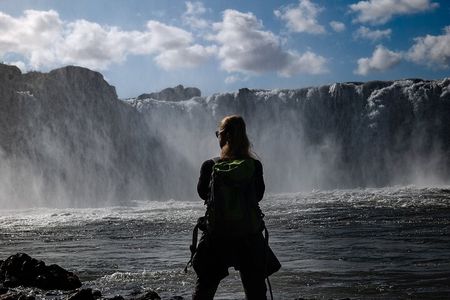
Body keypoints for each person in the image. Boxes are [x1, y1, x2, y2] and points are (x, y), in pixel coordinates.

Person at [192, 115, 280, 300]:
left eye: (218, 133)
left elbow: (202, 194)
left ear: (225, 136)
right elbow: (258, 195)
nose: (218, 137)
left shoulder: (210, 165)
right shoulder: (254, 166)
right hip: (248, 236)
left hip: (217, 236)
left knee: (205, 288)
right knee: (255, 290)